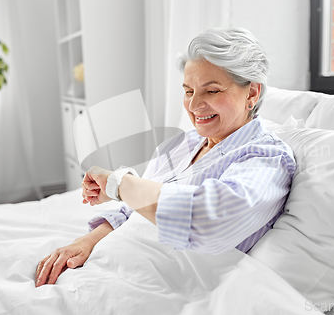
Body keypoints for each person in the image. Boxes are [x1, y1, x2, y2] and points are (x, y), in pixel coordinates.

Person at [35, 27, 296, 288]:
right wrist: (87, 241)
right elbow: (134, 208)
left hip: (165, 287)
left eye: (212, 91)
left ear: (251, 93)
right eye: (189, 91)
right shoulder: (183, 145)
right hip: (111, 264)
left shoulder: (267, 157)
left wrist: (119, 184)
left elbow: (208, 222)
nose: (194, 106)